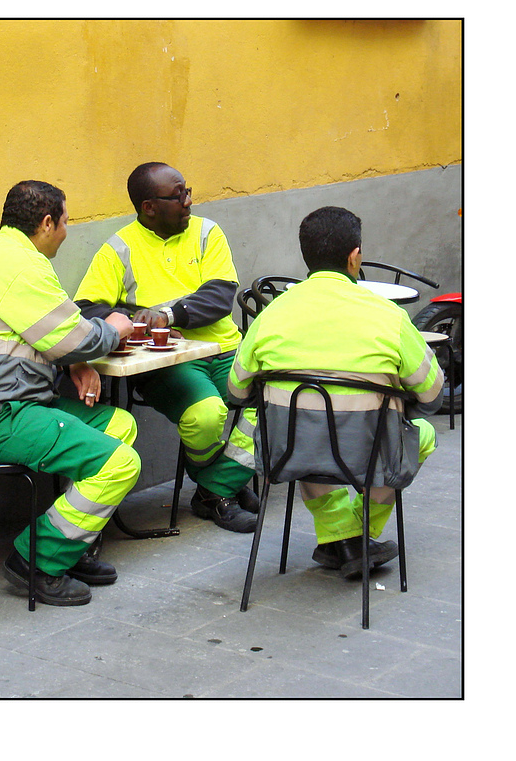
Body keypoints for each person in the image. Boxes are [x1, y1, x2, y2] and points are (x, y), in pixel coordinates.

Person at [0, 180, 140, 606]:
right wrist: (115, 328)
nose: (67, 232)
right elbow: (74, 336)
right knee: (120, 464)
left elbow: (44, 335)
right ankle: (37, 560)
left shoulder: (4, 256)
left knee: (119, 424)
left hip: (6, 404)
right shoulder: (20, 267)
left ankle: (71, 545)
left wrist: (75, 362)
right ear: (47, 223)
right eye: (66, 222)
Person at [226, 206, 444, 578]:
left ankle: (340, 536)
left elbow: (236, 389)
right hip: (370, 454)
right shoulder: (389, 316)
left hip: (287, 453)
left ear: (306, 255)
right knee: (422, 435)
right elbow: (432, 395)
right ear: (354, 256)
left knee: (304, 430)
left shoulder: (272, 315)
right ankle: (359, 535)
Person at [74, 162, 260, 533]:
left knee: (269, 404)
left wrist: (168, 315)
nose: (189, 201)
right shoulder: (119, 248)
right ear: (149, 207)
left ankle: (216, 486)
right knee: (206, 416)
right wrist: (131, 319)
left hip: (224, 349)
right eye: (178, 196)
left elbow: (221, 296)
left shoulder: (208, 232)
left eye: (187, 191)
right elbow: (87, 307)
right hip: (166, 363)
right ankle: (224, 486)